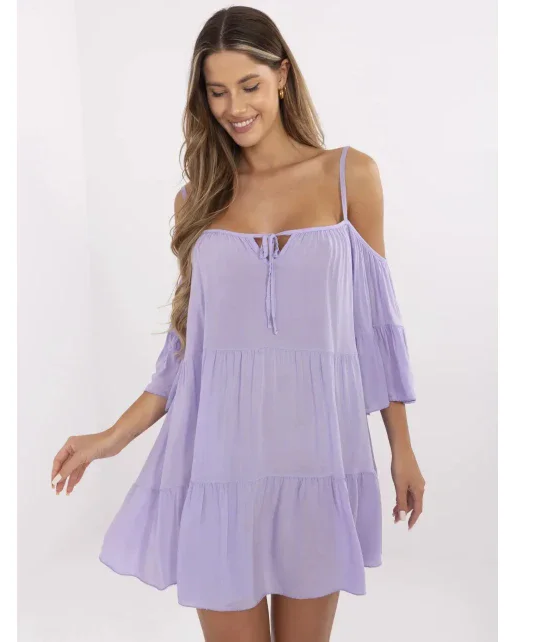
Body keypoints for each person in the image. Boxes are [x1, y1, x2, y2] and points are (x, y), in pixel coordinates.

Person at [50, 6, 425, 641]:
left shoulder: (348, 176)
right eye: (217, 92)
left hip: (318, 460)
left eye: (249, 85)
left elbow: (377, 327)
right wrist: (110, 438)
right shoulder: (196, 200)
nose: (234, 107)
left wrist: (402, 448)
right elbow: (184, 354)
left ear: (282, 76)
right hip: (220, 466)